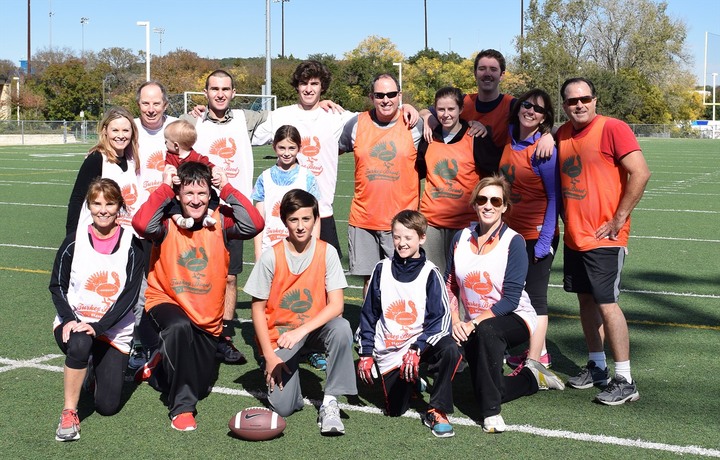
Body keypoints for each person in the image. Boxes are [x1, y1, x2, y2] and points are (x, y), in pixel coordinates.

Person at [132, 161, 264, 431]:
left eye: (202, 193)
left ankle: (158, 367)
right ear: (179, 195)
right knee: (178, 329)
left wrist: (225, 186)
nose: (195, 200)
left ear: (209, 194)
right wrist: (164, 188)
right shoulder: (166, 222)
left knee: (199, 385)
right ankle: (182, 409)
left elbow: (255, 224)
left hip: (207, 316)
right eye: (189, 193)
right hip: (167, 301)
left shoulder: (220, 219)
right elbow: (142, 224)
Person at [557, 77, 650, 405]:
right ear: (564, 105)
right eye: (571, 101)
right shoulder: (562, 134)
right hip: (575, 237)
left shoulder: (612, 128)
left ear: (595, 100)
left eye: (584, 98)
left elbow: (641, 172)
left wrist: (619, 218)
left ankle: (625, 378)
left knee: (607, 304)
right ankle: (597, 366)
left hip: (605, 237)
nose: (578, 104)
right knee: (585, 301)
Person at [448, 175, 564, 434]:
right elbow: (449, 285)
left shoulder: (515, 241)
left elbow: (511, 299)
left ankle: (491, 413)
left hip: (514, 318)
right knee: (486, 386)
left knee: (488, 332)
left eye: (495, 200)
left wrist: (473, 323)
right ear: (475, 205)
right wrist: (456, 321)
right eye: (482, 199)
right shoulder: (460, 238)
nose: (488, 205)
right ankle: (532, 378)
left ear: (504, 207)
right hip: (471, 323)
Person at [244, 189, 356, 436]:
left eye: (306, 219)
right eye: (294, 219)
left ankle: (330, 401)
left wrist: (302, 331)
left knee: (341, 328)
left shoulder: (327, 252)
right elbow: (257, 309)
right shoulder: (270, 256)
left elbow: (337, 305)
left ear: (316, 219)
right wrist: (269, 356)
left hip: (312, 332)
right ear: (284, 221)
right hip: (281, 337)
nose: (301, 226)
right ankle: (289, 371)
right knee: (284, 407)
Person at [50, 178, 144, 441]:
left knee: (107, 406)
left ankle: (92, 369)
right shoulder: (73, 241)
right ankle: (69, 412)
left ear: (119, 207)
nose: (103, 210)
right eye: (97, 203)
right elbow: (56, 285)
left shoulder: (132, 245)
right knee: (80, 343)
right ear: (89, 206)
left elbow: (129, 297)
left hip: (113, 330)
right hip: (76, 323)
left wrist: (99, 327)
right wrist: (68, 318)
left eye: (110, 203)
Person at [182, 69, 265, 364]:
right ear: (205, 93)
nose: (219, 93)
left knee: (230, 277)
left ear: (233, 93)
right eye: (214, 88)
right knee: (196, 273)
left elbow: (289, 118)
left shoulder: (247, 119)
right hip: (200, 209)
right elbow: (166, 137)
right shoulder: (194, 122)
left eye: (225, 89)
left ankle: (224, 337)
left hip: (233, 210)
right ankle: (195, 331)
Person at [356, 210, 461, 438]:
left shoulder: (430, 273)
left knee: (450, 349)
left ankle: (437, 409)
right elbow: (368, 315)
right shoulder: (381, 269)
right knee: (395, 410)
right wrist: (365, 353)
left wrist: (417, 348)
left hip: (419, 346)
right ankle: (411, 381)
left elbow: (441, 321)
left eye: (408, 238)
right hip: (391, 348)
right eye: (397, 237)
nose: (401, 243)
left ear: (421, 238)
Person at [252, 60, 356, 258]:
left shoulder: (336, 116)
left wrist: (415, 111)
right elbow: (245, 132)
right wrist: (203, 113)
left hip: (322, 212)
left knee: (325, 277)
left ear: (322, 86)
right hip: (286, 218)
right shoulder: (280, 115)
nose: (308, 89)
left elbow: (375, 119)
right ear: (297, 86)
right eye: (304, 83)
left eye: (314, 84)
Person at [339, 73, 424, 295]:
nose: (386, 100)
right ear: (371, 97)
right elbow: (330, 152)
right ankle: (369, 328)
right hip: (363, 219)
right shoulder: (356, 124)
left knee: (402, 282)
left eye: (391, 94)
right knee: (370, 282)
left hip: (401, 222)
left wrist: (419, 111)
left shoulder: (414, 125)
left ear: (400, 96)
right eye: (380, 95)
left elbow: (442, 119)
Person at [499, 89, 560, 370]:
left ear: (545, 117)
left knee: (536, 298)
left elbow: (553, 198)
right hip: (512, 234)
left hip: (537, 234)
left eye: (538, 109)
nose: (530, 111)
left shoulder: (545, 150)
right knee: (517, 294)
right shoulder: (510, 135)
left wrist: (544, 241)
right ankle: (538, 349)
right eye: (527, 105)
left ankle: (537, 360)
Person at [417, 86, 501, 275]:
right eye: (441, 109)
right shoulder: (429, 137)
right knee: (434, 278)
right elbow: (417, 171)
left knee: (464, 279)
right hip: (432, 223)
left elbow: (494, 175)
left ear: (461, 109)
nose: (446, 114)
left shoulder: (475, 136)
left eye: (451, 109)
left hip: (465, 223)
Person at [128, 81, 178, 371]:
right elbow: (109, 142)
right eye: (146, 103)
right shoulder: (130, 127)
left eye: (156, 103)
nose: (151, 109)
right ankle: (138, 339)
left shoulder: (176, 127)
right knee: (135, 287)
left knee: (167, 284)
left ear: (165, 104)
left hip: (169, 222)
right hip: (133, 221)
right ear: (139, 104)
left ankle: (170, 342)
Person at [421, 49, 554, 157]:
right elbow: (425, 111)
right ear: (475, 73)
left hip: (497, 174)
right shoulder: (463, 101)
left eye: (493, 69)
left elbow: (541, 120)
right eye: (482, 68)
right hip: (465, 175)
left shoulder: (513, 105)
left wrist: (547, 135)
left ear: (502, 75)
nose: (487, 73)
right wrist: (428, 117)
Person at [66, 107, 140, 234]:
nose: (121, 136)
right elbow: (77, 199)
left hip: (125, 235)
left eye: (126, 130)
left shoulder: (131, 159)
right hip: (98, 237)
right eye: (115, 130)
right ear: (105, 130)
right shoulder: (97, 159)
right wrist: (71, 238)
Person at [251, 124, 320, 260]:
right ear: (274, 147)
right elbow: (259, 219)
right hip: (270, 247)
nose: (287, 153)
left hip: (300, 249)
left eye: (292, 148)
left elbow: (315, 218)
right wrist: (258, 253)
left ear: (299, 148)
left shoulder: (307, 177)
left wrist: (314, 249)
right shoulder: (264, 178)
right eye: (282, 148)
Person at [163, 119, 221, 229]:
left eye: (166, 141)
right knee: (170, 202)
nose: (165, 144)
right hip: (178, 192)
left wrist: (216, 173)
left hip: (195, 191)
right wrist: (173, 177)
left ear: (176, 145)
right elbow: (167, 169)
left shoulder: (197, 157)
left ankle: (207, 216)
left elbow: (210, 166)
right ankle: (179, 220)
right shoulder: (170, 156)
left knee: (213, 196)